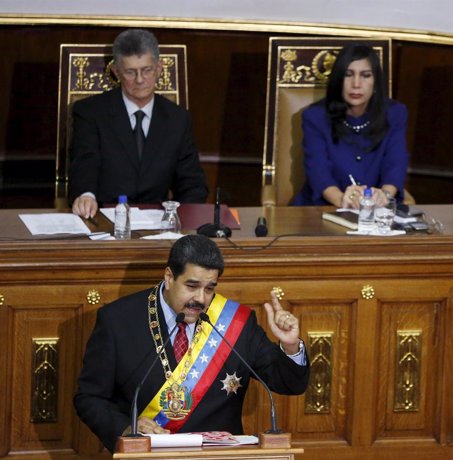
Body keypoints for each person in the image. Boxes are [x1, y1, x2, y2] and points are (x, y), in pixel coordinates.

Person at [74, 234, 309, 452]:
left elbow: (290, 384)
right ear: (169, 277)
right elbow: (89, 398)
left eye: (209, 289)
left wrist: (290, 346)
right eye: (192, 286)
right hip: (150, 456)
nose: (200, 299)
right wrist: (127, 429)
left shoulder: (235, 323)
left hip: (218, 458)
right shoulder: (118, 320)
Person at [69, 29, 208, 219]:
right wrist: (86, 196)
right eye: (130, 72)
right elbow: (85, 164)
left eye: (147, 70)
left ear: (159, 69)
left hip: (159, 222)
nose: (140, 80)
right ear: (116, 72)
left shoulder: (178, 119)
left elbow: (192, 184)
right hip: (103, 218)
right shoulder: (90, 112)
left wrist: (181, 224)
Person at [292, 44, 409, 208]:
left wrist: (384, 196)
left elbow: (395, 164)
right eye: (348, 75)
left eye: (366, 76)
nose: (356, 84)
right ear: (338, 80)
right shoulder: (315, 117)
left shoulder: (395, 114)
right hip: (323, 208)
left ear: (376, 82)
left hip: (377, 212)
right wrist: (341, 199)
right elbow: (318, 171)